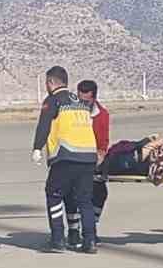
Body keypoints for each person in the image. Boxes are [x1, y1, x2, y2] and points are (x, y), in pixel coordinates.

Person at [31, 66, 100, 253]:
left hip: (66, 155)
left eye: (47, 83)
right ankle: (89, 241)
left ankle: (58, 239)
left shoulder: (53, 100)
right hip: (88, 156)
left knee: (53, 195)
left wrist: (37, 148)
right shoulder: (79, 101)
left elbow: (44, 125)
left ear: (51, 82)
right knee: (84, 200)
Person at [65, 79, 111, 246]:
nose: (82, 103)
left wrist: (98, 162)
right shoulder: (69, 111)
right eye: (80, 99)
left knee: (99, 192)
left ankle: (91, 227)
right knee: (70, 193)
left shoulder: (102, 115)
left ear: (94, 98)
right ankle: (73, 230)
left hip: (93, 158)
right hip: (73, 156)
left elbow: (103, 143)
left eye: (86, 101)